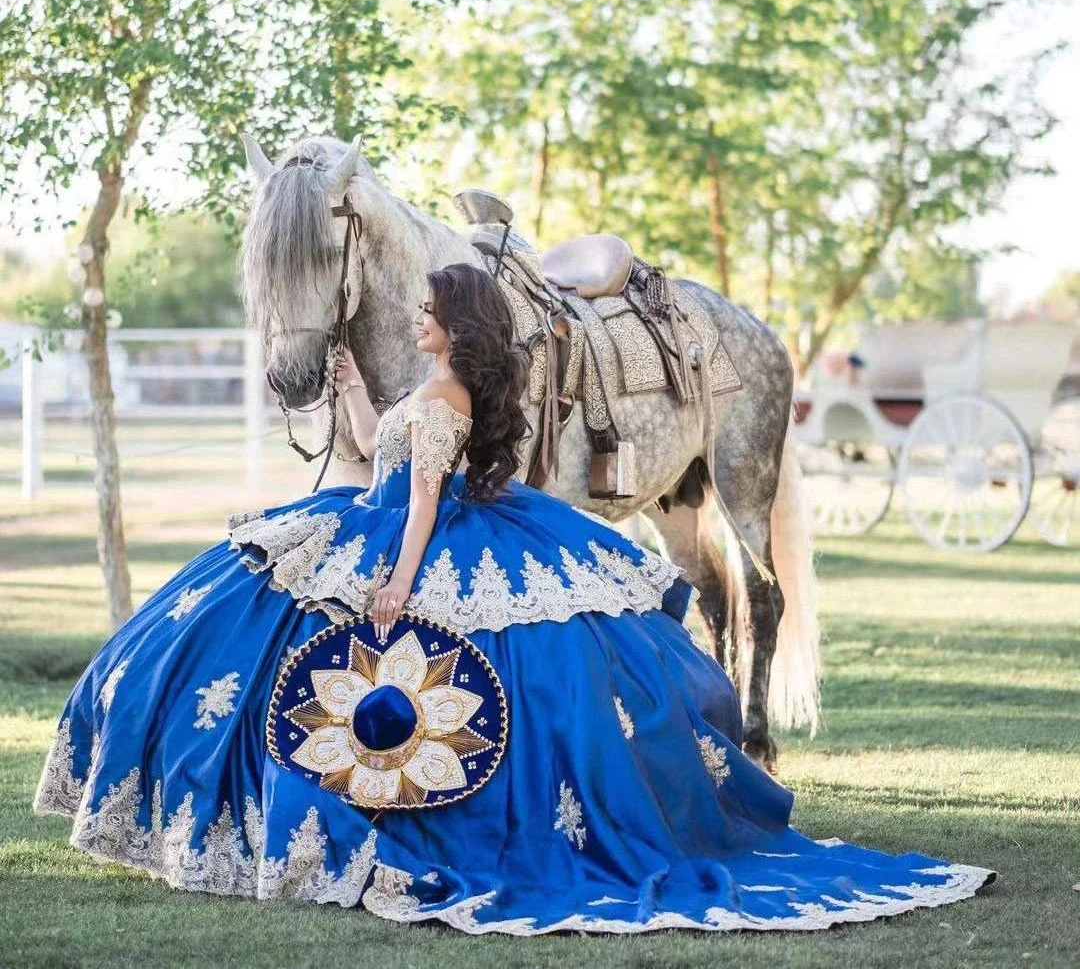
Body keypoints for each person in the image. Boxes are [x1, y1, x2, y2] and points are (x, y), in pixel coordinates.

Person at [34, 263, 993, 934]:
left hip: (407, 537)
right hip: (376, 511)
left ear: (460, 326)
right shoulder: (434, 387)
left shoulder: (450, 399)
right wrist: (348, 393)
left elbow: (416, 502)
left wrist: (397, 588)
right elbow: (381, 454)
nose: (413, 320)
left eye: (425, 312)